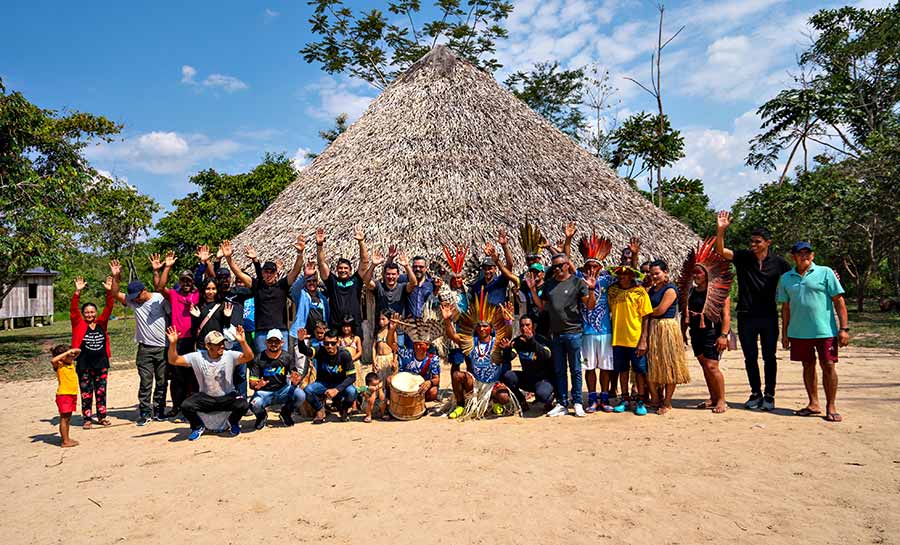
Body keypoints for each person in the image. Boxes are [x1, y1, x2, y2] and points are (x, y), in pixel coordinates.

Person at [716, 211, 791, 410]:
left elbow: (795, 279)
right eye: (752, 241)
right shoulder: (744, 258)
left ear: (768, 242)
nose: (753, 245)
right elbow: (722, 251)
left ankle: (769, 395)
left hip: (768, 316)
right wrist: (721, 231)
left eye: (758, 241)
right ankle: (755, 393)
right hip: (746, 315)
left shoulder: (779, 263)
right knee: (750, 357)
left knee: (769, 357)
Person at [777, 242, 850, 423]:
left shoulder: (826, 272)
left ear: (813, 255)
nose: (804, 256)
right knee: (807, 365)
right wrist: (784, 333)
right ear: (793, 257)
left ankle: (831, 406)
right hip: (799, 332)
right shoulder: (786, 278)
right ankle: (813, 403)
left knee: (829, 365)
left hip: (825, 331)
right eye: (800, 253)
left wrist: (844, 329)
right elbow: (785, 308)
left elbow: (839, 302)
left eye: (807, 253)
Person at [531, 251, 597, 417]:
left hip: (574, 332)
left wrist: (592, 289)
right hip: (556, 334)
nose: (558, 268)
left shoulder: (577, 283)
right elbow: (542, 306)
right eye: (555, 266)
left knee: (575, 369)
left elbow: (589, 306)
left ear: (568, 264)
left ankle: (577, 402)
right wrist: (532, 290)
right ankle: (562, 403)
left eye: (561, 265)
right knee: (559, 369)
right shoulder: (549, 284)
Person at [166, 327, 254, 440]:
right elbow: (174, 360)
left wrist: (242, 342)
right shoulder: (197, 357)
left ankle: (233, 421)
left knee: (243, 404)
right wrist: (173, 344)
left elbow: (249, 357)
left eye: (223, 343)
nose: (222, 346)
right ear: (208, 346)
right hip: (206, 398)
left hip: (226, 397)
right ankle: (197, 426)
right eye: (217, 344)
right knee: (186, 405)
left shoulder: (229, 355)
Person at [441, 292, 518, 420]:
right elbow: (452, 336)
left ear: (490, 328)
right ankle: (461, 405)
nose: (482, 329)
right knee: (457, 375)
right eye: (480, 326)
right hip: (474, 383)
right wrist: (447, 320)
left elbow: (507, 336)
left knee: (504, 397)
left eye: (485, 326)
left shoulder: (496, 342)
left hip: (493, 383)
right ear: (476, 328)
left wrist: (508, 321)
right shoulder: (470, 342)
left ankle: (494, 401)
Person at [222, 236, 305, 353]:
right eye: (266, 271)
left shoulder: (282, 285)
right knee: (262, 364)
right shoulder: (257, 286)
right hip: (261, 332)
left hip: (281, 330)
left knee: (283, 362)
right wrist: (229, 258)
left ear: (276, 273)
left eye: (272, 272)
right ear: (262, 272)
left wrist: (300, 254)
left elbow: (296, 270)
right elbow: (239, 273)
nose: (269, 274)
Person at [679, 239, 733, 414]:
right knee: (704, 364)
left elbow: (726, 316)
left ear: (707, 274)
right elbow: (685, 314)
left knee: (712, 365)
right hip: (696, 332)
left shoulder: (720, 293)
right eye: (694, 273)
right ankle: (713, 397)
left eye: (699, 274)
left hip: (712, 331)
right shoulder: (691, 291)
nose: (696, 276)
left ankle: (722, 400)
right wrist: (683, 332)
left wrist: (723, 336)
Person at [111, 261, 168, 425]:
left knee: (162, 382)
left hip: (163, 348)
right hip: (145, 349)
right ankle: (145, 413)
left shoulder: (159, 299)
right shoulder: (134, 303)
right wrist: (116, 276)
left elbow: (162, 289)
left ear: (144, 291)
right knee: (145, 382)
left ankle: (159, 411)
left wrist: (157, 271)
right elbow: (115, 294)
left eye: (136, 295)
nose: (134, 299)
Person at [151, 249, 203, 418]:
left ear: (193, 281)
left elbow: (211, 279)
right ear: (179, 282)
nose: (186, 283)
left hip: (193, 339)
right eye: (183, 280)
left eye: (189, 280)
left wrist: (206, 263)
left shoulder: (197, 294)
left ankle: (192, 405)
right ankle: (176, 406)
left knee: (193, 375)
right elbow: (159, 287)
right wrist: (166, 267)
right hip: (178, 340)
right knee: (177, 376)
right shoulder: (174, 295)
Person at [575, 231, 617, 413]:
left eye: (595, 266)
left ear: (600, 267)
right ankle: (592, 398)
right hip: (587, 332)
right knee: (589, 367)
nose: (592, 269)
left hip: (605, 331)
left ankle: (604, 397)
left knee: (605, 367)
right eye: (589, 266)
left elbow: (631, 274)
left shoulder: (607, 279)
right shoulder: (579, 279)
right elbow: (567, 261)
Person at [70, 272, 116, 428]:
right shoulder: (78, 324)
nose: (89, 314)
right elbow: (73, 309)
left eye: (92, 312)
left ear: (96, 313)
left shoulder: (102, 323)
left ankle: (102, 416)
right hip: (84, 364)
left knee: (101, 391)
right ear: (83, 314)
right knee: (86, 392)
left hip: (101, 363)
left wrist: (109, 292)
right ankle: (87, 418)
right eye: (87, 312)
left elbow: (109, 307)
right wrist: (77, 292)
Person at [645, 260, 691, 415]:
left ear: (665, 272)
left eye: (657, 273)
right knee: (654, 364)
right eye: (652, 274)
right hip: (653, 328)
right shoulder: (651, 289)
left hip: (666, 328)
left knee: (669, 366)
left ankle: (667, 402)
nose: (654, 276)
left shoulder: (670, 289)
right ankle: (656, 399)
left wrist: (644, 311)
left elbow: (660, 310)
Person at [607, 265, 653, 416]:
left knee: (639, 371)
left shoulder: (640, 293)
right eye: (620, 274)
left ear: (632, 276)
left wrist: (643, 340)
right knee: (622, 370)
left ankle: (640, 400)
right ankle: (624, 398)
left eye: (626, 274)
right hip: (618, 339)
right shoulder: (612, 291)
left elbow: (646, 317)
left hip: (635, 338)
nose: (622, 277)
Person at [316, 227, 371, 335]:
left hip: (354, 326)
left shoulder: (356, 280)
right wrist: (319, 246)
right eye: (340, 268)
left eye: (346, 268)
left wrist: (361, 242)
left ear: (350, 270)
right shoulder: (332, 281)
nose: (343, 270)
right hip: (336, 327)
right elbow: (322, 264)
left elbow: (364, 262)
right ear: (336, 270)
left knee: (356, 352)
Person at [296, 328, 357, 423]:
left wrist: (337, 389)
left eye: (333, 343)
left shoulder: (344, 354)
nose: (329, 346)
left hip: (340, 384)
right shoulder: (320, 350)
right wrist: (300, 341)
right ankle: (320, 409)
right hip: (323, 383)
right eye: (326, 343)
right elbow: (306, 351)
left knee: (352, 392)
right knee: (308, 390)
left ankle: (344, 410)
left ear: (338, 342)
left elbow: (352, 377)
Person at [248, 329, 306, 429]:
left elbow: (294, 376)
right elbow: (252, 383)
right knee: (255, 404)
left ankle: (286, 413)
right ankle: (261, 416)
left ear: (282, 342)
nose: (273, 344)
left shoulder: (287, 357)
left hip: (282, 390)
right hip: (264, 392)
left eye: (277, 341)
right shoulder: (258, 358)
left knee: (300, 395)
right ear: (266, 342)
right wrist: (258, 385)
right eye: (271, 341)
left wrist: (295, 381)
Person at [499, 315, 556, 413]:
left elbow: (546, 355)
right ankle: (521, 400)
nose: (524, 328)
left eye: (527, 325)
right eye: (522, 325)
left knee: (542, 395)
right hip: (528, 378)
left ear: (533, 326)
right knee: (507, 376)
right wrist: (507, 349)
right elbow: (509, 358)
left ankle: (550, 400)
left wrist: (531, 341)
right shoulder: (517, 341)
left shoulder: (542, 340)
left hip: (543, 380)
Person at [386, 319, 441, 403]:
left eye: (420, 345)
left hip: (421, 387)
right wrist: (391, 330)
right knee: (389, 380)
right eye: (415, 345)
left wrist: (429, 382)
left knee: (433, 391)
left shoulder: (433, 359)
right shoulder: (407, 353)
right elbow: (390, 343)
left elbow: (437, 379)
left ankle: (419, 404)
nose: (418, 347)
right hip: (404, 384)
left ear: (427, 346)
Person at [468, 236, 518, 306]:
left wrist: (504, 245)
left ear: (495, 269)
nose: (487, 271)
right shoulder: (477, 286)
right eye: (485, 268)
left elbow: (510, 265)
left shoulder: (501, 281)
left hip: (500, 315)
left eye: (490, 268)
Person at [367, 250, 417, 317]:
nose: (390, 277)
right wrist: (373, 265)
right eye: (388, 274)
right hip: (381, 325)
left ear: (398, 275)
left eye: (393, 274)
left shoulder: (402, 287)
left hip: (397, 324)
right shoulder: (379, 286)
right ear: (384, 275)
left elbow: (414, 283)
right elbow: (366, 281)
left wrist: (407, 266)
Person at [288, 260, 329, 340]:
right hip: (303, 337)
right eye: (309, 281)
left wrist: (320, 283)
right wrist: (305, 276)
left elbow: (331, 288)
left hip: (320, 337)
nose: (311, 283)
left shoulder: (322, 297)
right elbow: (294, 289)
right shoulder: (301, 295)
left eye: (314, 281)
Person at [50, 345, 81, 448]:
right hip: (64, 395)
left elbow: (79, 351)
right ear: (62, 357)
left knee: (68, 419)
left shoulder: (70, 363)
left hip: (71, 394)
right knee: (64, 418)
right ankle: (65, 441)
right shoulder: (59, 365)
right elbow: (53, 360)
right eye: (69, 355)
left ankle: (66, 438)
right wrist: (66, 353)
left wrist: (71, 351)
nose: (72, 356)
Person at [372, 311, 398, 389]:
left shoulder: (392, 332)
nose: (381, 321)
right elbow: (373, 347)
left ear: (389, 320)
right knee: (379, 380)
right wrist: (374, 361)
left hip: (389, 358)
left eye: (383, 319)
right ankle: (381, 397)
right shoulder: (377, 333)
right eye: (380, 319)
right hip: (379, 359)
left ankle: (389, 397)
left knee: (390, 381)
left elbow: (395, 348)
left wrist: (394, 360)